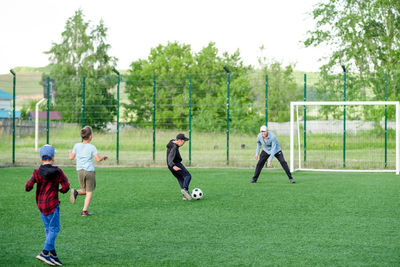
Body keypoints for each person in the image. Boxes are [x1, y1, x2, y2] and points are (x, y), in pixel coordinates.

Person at [25, 144, 70, 266]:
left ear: (41, 158)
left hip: (41, 205)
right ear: (53, 157)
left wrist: (29, 185)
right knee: (54, 229)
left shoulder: (36, 172)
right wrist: (60, 190)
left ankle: (53, 255)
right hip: (52, 205)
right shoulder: (58, 172)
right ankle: (45, 253)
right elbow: (66, 187)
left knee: (48, 230)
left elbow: (28, 187)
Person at [69, 126, 108, 216]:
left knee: (84, 190)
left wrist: (69, 152)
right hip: (89, 172)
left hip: (80, 171)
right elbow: (98, 159)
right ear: (90, 136)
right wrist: (103, 157)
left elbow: (71, 157)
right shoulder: (92, 147)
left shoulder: (76, 145)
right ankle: (84, 211)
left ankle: (76, 192)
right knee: (89, 192)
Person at [166, 133, 192, 200]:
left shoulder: (172, 142)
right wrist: (173, 165)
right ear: (179, 140)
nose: (184, 143)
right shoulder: (174, 147)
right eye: (183, 141)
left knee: (180, 178)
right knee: (188, 176)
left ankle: (185, 195)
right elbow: (170, 157)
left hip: (170, 166)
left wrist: (171, 166)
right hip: (175, 164)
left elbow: (172, 141)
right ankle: (185, 190)